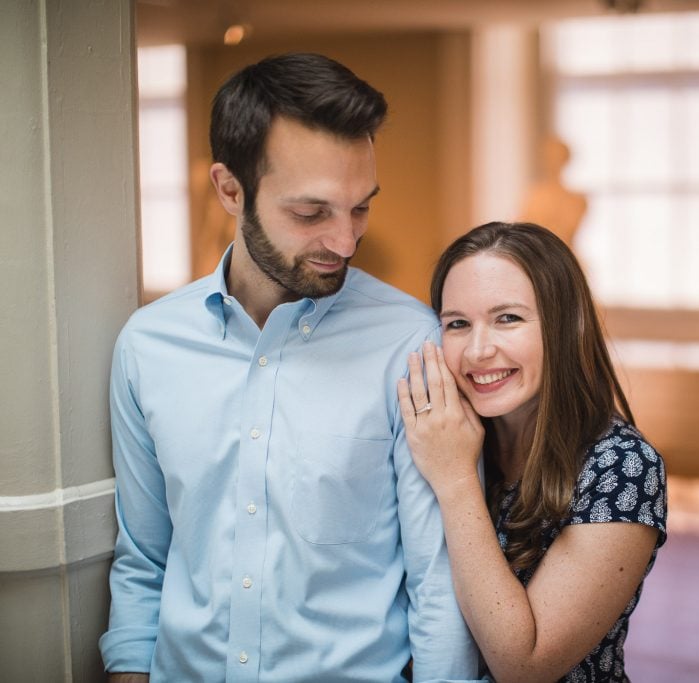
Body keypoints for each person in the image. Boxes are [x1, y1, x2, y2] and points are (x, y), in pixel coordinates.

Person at [99, 53, 481, 682]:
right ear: (230, 189)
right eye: (311, 214)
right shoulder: (147, 347)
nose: (346, 241)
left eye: (361, 208)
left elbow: (437, 584)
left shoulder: (412, 344)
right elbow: (143, 561)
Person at [397, 222, 667, 682]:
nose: (478, 351)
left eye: (508, 318)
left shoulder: (623, 465)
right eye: (458, 324)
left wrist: (456, 479)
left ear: (566, 327)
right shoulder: (442, 432)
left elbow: (524, 668)